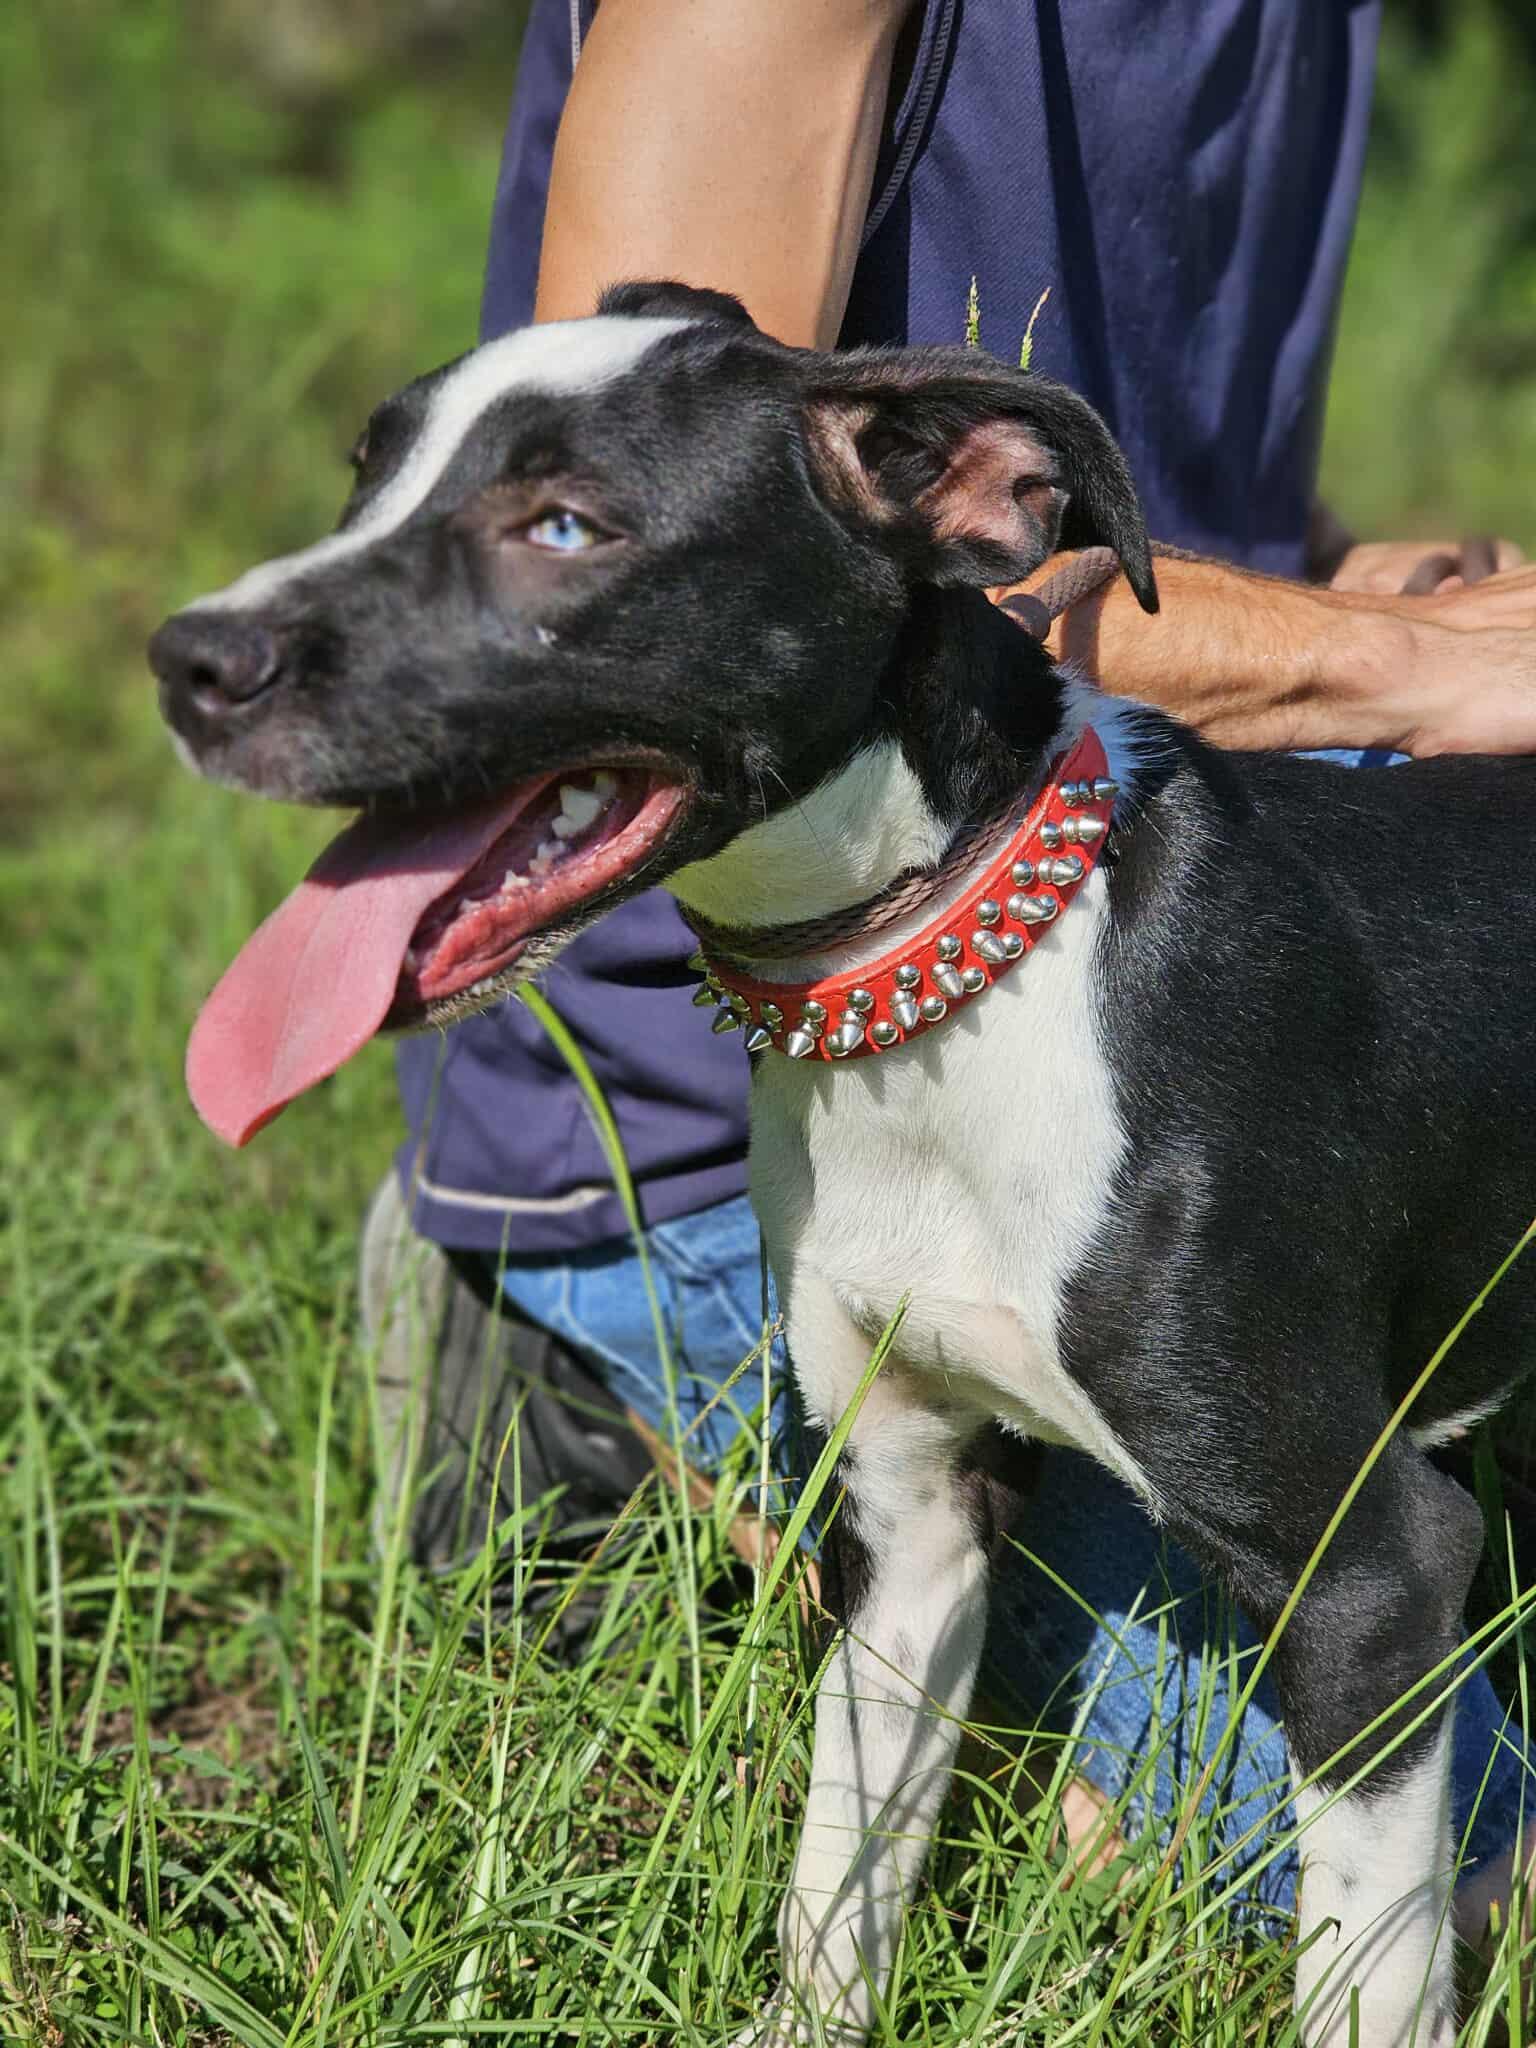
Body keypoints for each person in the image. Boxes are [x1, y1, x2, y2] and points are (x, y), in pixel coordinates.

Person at [365, 0, 1536, 1932]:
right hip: (772, 1102)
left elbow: (1188, 526)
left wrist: (1414, 591)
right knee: (1479, 1877)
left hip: (1193, 978)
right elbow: (613, 593)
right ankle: (572, 1316)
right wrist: (1384, 659)